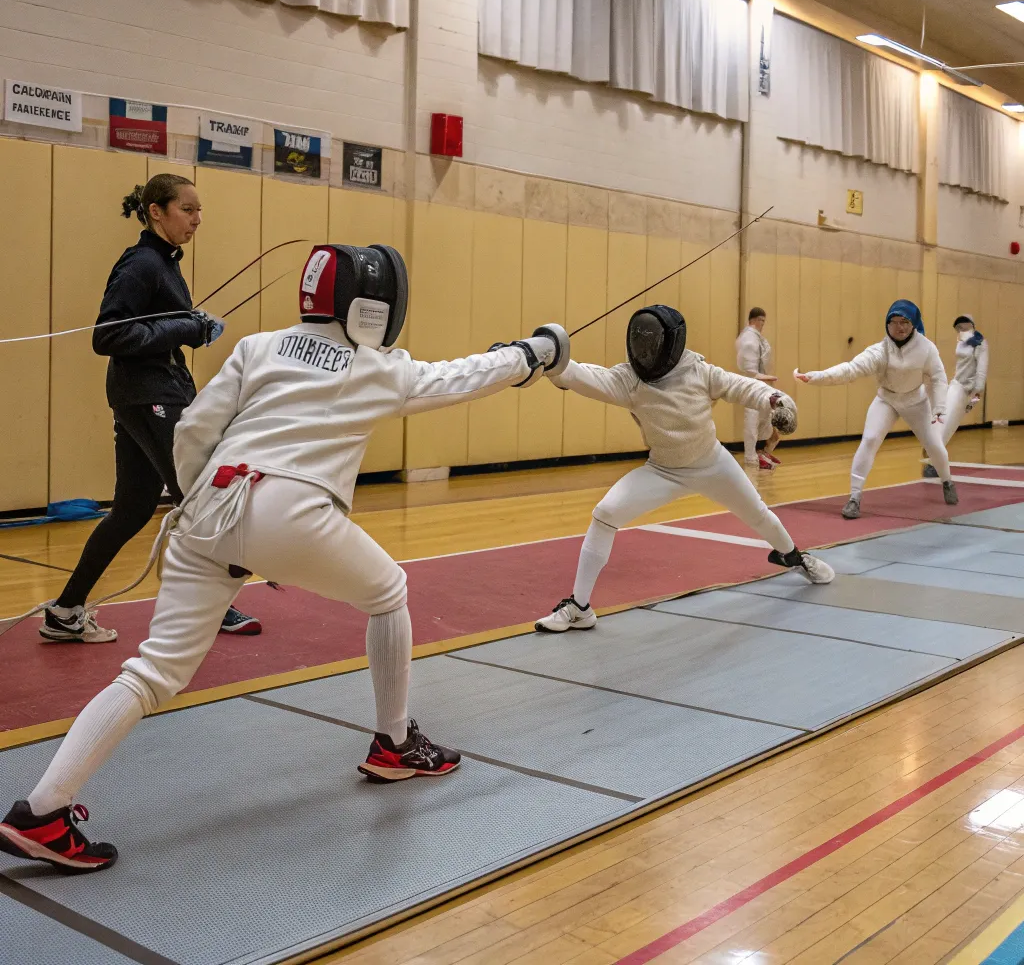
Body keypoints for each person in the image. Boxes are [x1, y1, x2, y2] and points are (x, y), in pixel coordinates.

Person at [0, 241, 570, 871]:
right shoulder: (378, 368)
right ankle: (394, 743)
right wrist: (533, 352)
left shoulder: (259, 346)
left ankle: (43, 810)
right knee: (389, 593)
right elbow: (463, 376)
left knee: (152, 671)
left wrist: (207, 507)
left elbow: (192, 431)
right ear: (373, 308)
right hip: (291, 513)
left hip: (206, 507)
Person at [39, 174, 261, 643]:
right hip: (149, 394)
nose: (197, 220)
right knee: (196, 496)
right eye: (187, 209)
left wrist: (189, 326)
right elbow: (109, 335)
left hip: (149, 392)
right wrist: (187, 328)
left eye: (199, 211)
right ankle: (212, 607)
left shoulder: (164, 261)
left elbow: (155, 327)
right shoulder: (142, 263)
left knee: (133, 507)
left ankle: (65, 610)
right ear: (156, 211)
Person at [534, 304, 834, 634]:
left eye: (651, 344)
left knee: (759, 514)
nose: (645, 352)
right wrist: (552, 359)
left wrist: (777, 400)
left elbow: (743, 386)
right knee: (606, 513)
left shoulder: (698, 370)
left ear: (671, 343)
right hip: (663, 471)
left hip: (713, 464)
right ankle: (579, 608)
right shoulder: (631, 379)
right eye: (640, 343)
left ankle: (793, 557)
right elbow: (585, 376)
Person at [794, 299, 957, 519]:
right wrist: (816, 377)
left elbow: (938, 379)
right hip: (887, 400)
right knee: (870, 439)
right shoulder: (880, 351)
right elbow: (851, 370)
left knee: (934, 445)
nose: (899, 327)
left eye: (904, 322)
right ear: (887, 324)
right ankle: (854, 498)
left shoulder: (926, 348)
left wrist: (939, 408)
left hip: (916, 402)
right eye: (894, 322)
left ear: (914, 324)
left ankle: (947, 481)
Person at [923, 314, 989, 477]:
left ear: (972, 325)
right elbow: (961, 367)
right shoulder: (961, 341)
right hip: (956, 385)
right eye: (958, 327)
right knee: (943, 421)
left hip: (967, 390)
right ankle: (934, 458)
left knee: (949, 425)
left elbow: (981, 374)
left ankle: (934, 461)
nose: (960, 329)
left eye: (964, 325)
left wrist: (973, 399)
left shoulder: (981, 344)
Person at [736, 306, 781, 470]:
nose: (763, 324)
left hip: (760, 386)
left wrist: (766, 379)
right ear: (754, 320)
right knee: (752, 422)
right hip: (751, 387)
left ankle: (761, 452)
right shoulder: (748, 339)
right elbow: (749, 371)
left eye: (764, 321)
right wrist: (766, 378)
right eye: (761, 320)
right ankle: (751, 457)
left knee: (766, 421)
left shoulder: (757, 338)